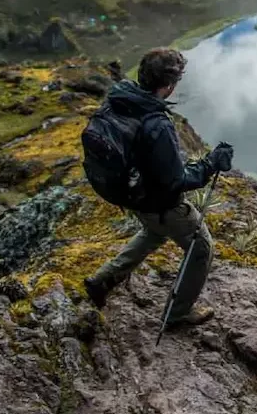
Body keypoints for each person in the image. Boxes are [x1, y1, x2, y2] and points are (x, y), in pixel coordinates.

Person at [82, 48, 233, 329]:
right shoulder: (157, 123)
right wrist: (212, 163)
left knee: (153, 233)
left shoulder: (121, 100)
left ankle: (102, 280)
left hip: (131, 195)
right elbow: (177, 180)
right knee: (201, 248)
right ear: (169, 85)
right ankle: (177, 314)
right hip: (159, 202)